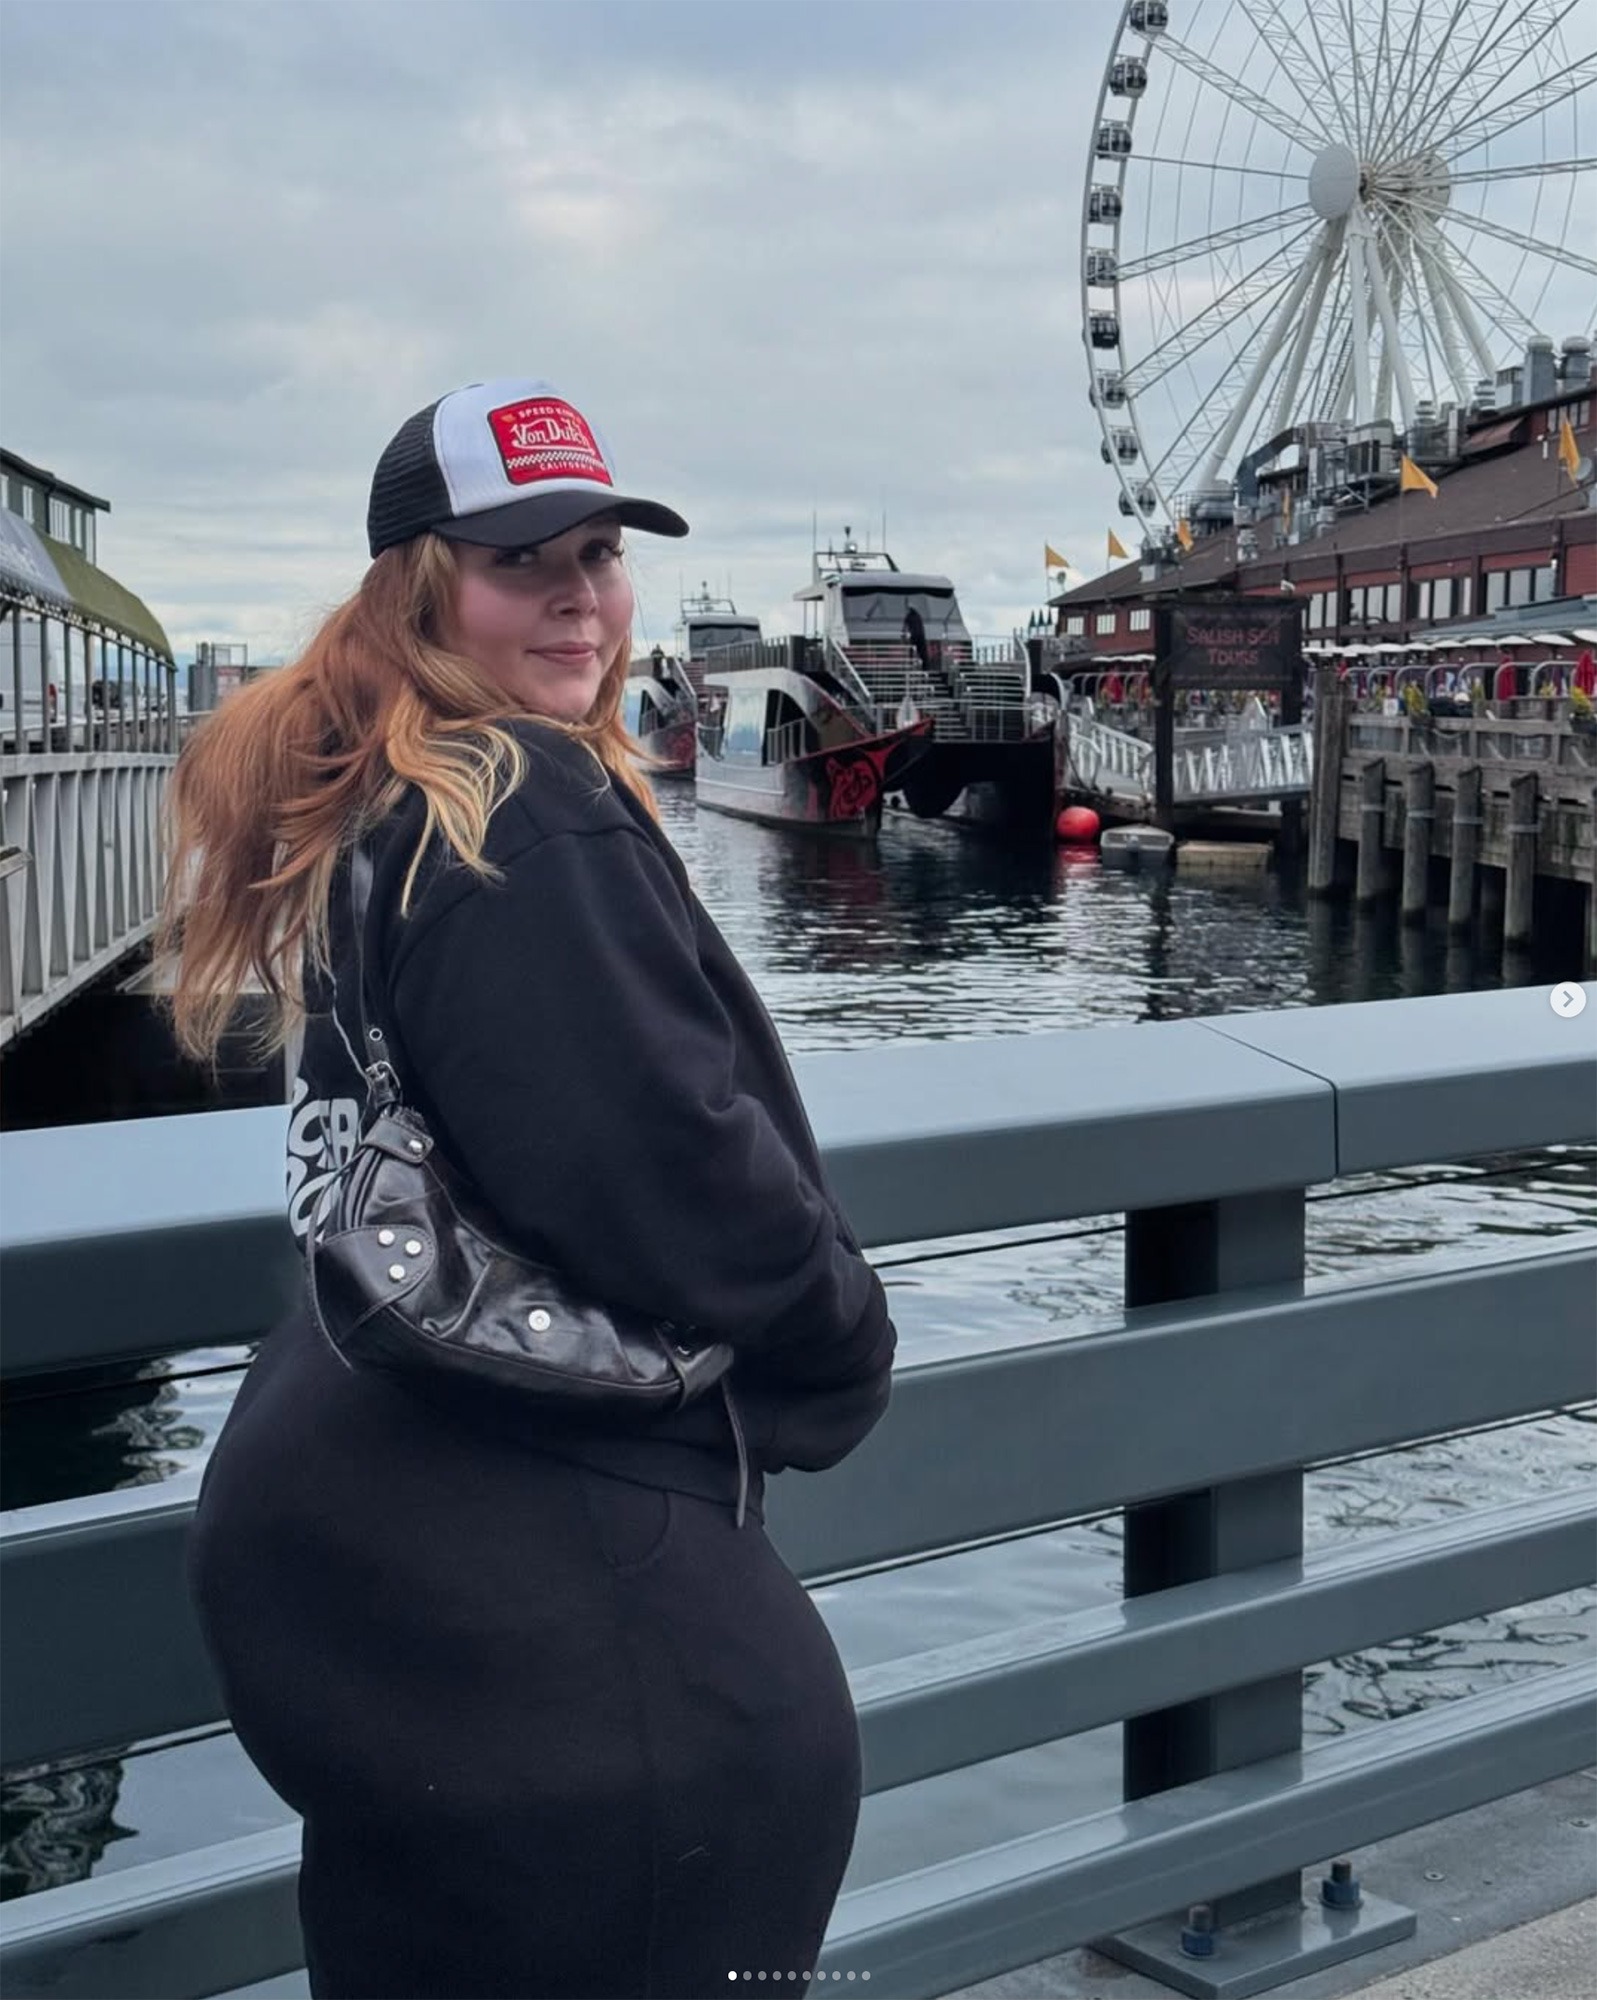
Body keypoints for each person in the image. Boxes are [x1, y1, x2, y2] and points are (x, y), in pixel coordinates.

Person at [157, 377, 897, 1999]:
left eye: (598, 555)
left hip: (380, 1599)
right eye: (520, 563)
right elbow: (673, 1165)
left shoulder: (380, 799)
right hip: (574, 1646)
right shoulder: (524, 805)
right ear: (420, 591)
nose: (578, 599)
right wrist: (845, 1343)